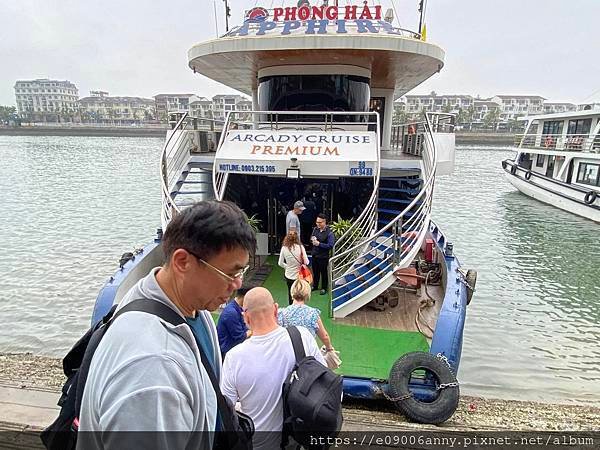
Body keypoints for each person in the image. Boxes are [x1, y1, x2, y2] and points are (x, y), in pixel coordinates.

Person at [77, 201, 256, 450]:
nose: (237, 284)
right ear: (183, 261)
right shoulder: (152, 371)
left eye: (241, 272)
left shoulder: (190, 307)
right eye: (231, 273)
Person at [220, 287, 325, 450]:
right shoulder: (302, 337)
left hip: (257, 444)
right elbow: (324, 382)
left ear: (246, 317)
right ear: (276, 309)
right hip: (297, 441)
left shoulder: (234, 358)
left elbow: (226, 411)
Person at [278, 279, 334, 352]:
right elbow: (324, 337)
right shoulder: (313, 314)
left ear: (292, 293)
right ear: (307, 294)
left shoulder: (282, 313)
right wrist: (329, 348)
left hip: (289, 352)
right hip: (308, 353)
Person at [217, 286, 252, 357]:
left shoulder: (237, 308)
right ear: (245, 296)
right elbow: (240, 337)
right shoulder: (231, 312)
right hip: (227, 352)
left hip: (233, 349)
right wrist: (253, 331)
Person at [278, 231, 309, 304]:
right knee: (300, 294)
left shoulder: (284, 248)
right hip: (299, 276)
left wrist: (287, 267)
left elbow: (280, 263)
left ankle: (291, 307)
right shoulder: (301, 247)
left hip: (289, 275)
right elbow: (306, 262)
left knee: (291, 293)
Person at [310, 213, 335, 295]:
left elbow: (330, 245)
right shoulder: (315, 229)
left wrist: (319, 244)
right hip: (314, 255)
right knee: (315, 272)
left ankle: (324, 288)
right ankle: (315, 286)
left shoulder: (329, 233)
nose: (318, 224)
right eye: (317, 222)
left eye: (320, 222)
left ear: (324, 222)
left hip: (323, 257)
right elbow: (312, 237)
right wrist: (312, 239)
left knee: (323, 273)